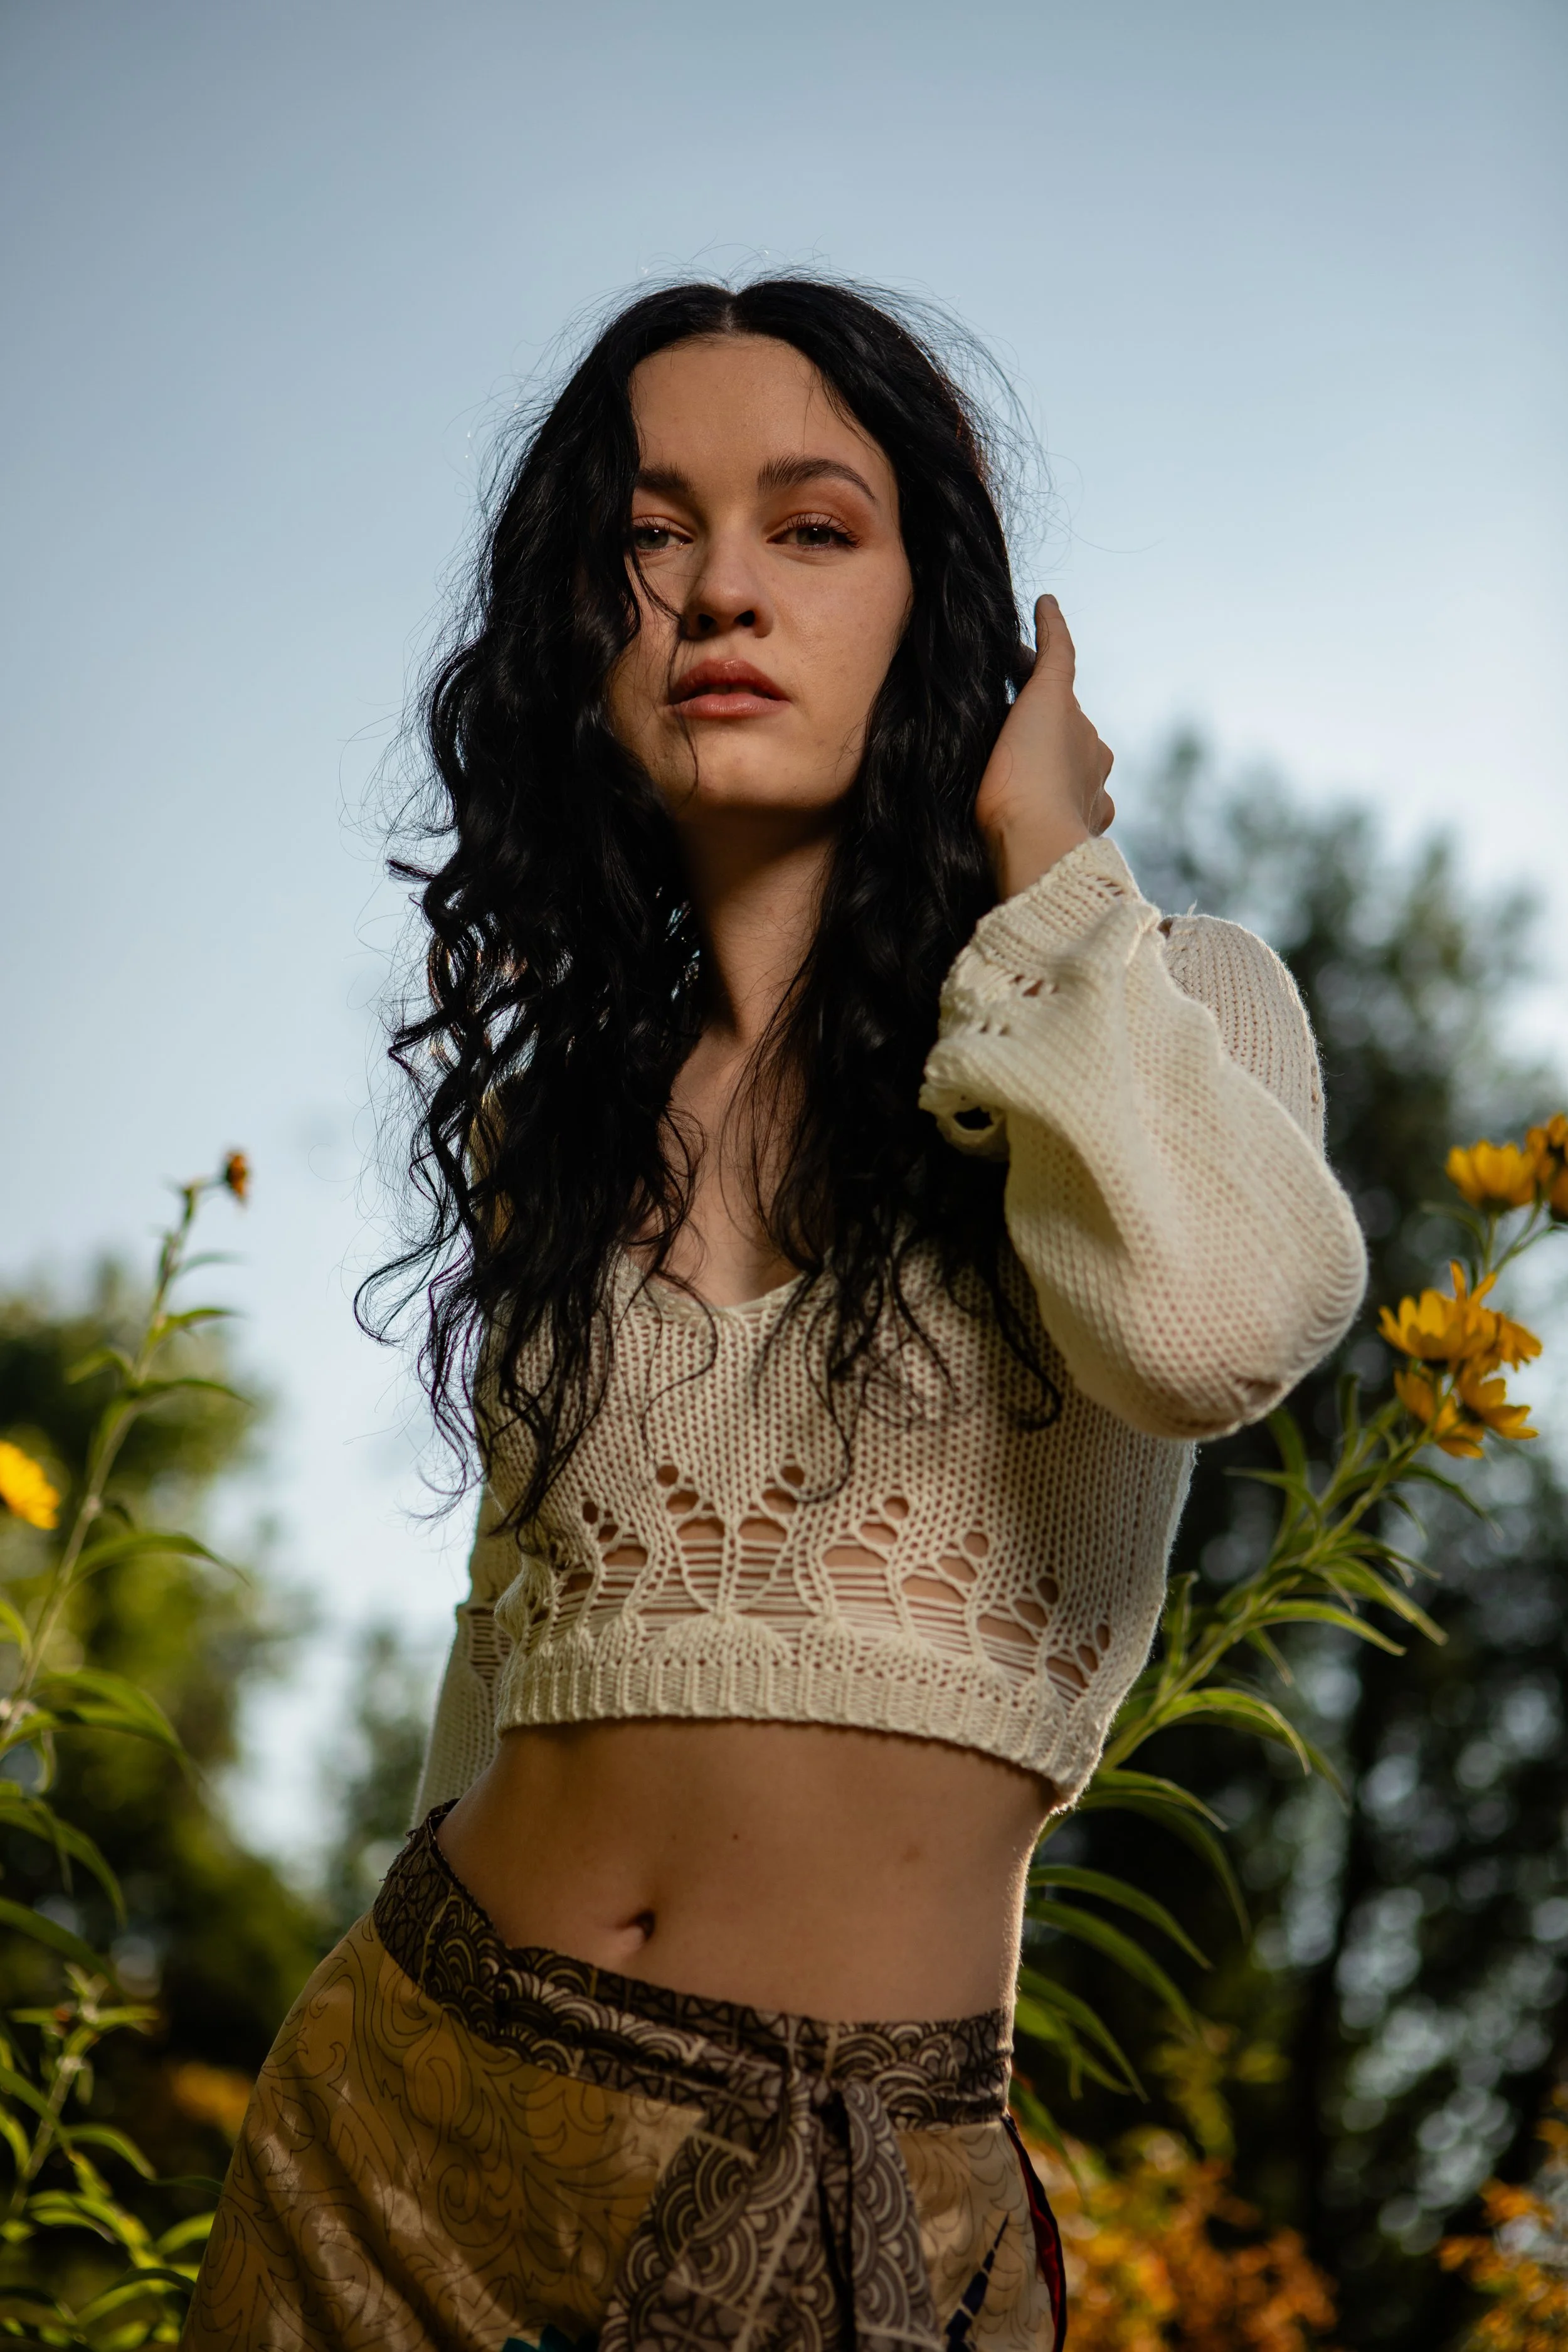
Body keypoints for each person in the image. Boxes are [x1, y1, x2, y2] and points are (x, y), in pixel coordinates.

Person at [184, 278, 1367, 2352]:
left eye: (811, 527)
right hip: (387, 2112)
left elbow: (1216, 1328)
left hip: (831, 2199)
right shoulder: (551, 1133)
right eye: (649, 534)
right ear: (583, 626)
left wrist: (1047, 860)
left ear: (939, 611)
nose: (718, 586)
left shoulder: (1147, 1006)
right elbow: (511, 1646)